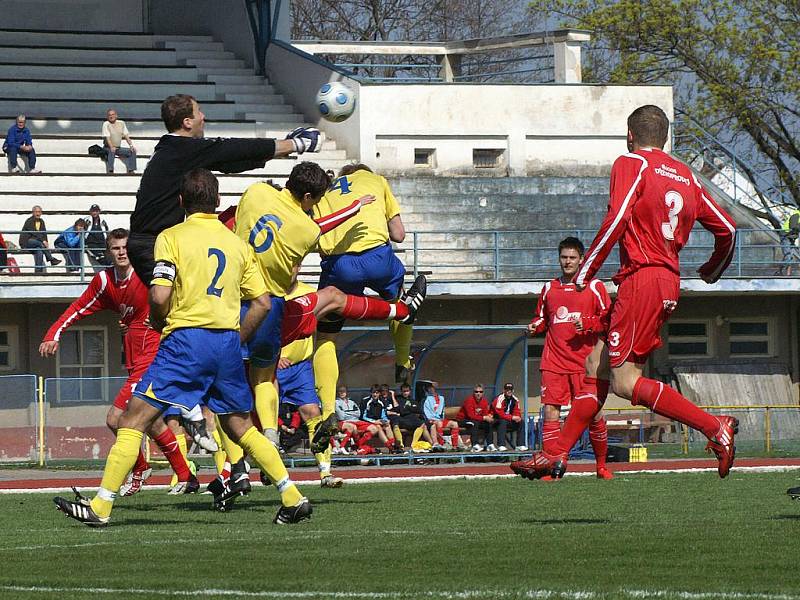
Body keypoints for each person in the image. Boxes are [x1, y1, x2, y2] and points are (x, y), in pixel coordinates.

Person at [53, 168, 312, 526]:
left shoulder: (171, 237)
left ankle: (100, 507)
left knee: (132, 420)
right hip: (225, 342)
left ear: (180, 202)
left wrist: (159, 321)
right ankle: (292, 496)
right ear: (218, 202)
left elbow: (159, 294)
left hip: (186, 341)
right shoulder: (237, 244)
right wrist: (236, 339)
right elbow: (264, 304)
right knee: (241, 426)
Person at [512, 105, 738, 481]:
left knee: (624, 382)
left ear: (630, 136)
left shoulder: (631, 163)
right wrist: (712, 269)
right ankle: (553, 454)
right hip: (666, 279)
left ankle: (714, 426)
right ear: (664, 137)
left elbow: (616, 218)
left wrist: (586, 271)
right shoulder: (686, 175)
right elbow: (728, 230)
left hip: (641, 279)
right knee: (595, 367)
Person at [231, 163, 426, 461]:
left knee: (237, 395)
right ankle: (401, 325)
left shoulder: (255, 193)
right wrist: (356, 208)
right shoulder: (304, 227)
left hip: (232, 308)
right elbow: (394, 234)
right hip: (268, 309)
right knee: (267, 375)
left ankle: (249, 461)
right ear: (309, 195)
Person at [40, 228, 197, 497]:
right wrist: (53, 334)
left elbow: (179, 291)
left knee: (116, 419)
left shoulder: (146, 273)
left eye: (125, 247)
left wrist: (166, 316)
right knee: (153, 422)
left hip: (154, 356)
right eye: (116, 248)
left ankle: (140, 468)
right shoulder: (104, 281)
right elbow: (78, 308)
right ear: (108, 252)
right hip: (135, 359)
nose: (122, 252)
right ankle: (186, 476)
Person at [127, 93, 324, 287]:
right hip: (151, 244)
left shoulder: (174, 148)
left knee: (187, 305)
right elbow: (230, 148)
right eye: (199, 111)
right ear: (187, 122)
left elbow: (227, 163)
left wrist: (278, 151)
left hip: (152, 241)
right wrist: (295, 144)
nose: (203, 116)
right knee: (182, 307)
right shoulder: (181, 147)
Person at [311, 164, 413, 452]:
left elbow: (316, 239)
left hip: (339, 265)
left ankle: (328, 409)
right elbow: (399, 234)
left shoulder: (325, 192)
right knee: (399, 303)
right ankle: (403, 360)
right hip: (378, 258)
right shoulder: (376, 180)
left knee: (327, 336)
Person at [526, 237, 613, 479]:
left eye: (572, 258)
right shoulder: (549, 288)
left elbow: (609, 321)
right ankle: (551, 468)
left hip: (585, 365)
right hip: (553, 362)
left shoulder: (595, 287)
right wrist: (535, 326)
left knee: (594, 415)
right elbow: (542, 318)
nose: (567, 262)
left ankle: (601, 465)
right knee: (551, 413)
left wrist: (588, 323)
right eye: (564, 257)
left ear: (582, 260)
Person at [421, 381, 465, 451]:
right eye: (430, 387)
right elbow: (425, 411)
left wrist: (442, 417)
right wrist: (430, 419)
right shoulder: (425, 399)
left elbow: (442, 411)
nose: (431, 389)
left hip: (440, 420)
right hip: (431, 420)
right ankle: (441, 445)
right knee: (439, 423)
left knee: (454, 424)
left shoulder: (441, 398)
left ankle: (455, 446)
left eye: (432, 387)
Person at [19, 205, 61, 272]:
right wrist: (43, 241)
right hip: (27, 242)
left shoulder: (41, 221)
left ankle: (38, 270)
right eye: (36, 212)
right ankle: (51, 258)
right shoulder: (29, 221)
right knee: (39, 243)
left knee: (39, 250)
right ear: (33, 212)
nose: (38, 214)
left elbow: (44, 233)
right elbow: (34, 232)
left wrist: (46, 242)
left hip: (37, 243)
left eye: (39, 212)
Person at [456, 384, 494, 452]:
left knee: (488, 423)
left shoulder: (484, 401)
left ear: (483, 393)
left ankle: (490, 444)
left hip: (476, 420)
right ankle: (475, 445)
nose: (478, 393)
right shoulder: (469, 400)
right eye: (476, 392)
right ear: (473, 393)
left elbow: (484, 414)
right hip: (463, 420)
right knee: (474, 423)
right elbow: (471, 415)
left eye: (480, 392)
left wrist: (488, 417)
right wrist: (484, 418)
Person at [491, 383, 526, 451]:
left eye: (510, 389)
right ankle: (501, 445)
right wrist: (512, 417)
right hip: (496, 420)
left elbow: (517, 411)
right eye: (507, 389)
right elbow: (500, 414)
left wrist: (517, 417)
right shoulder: (500, 398)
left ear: (513, 391)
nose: (509, 391)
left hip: (508, 420)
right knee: (502, 421)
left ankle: (520, 444)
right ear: (504, 390)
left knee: (521, 422)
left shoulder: (515, 399)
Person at [102, 109, 137, 174]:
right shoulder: (106, 124)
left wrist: (131, 146)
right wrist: (111, 147)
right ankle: (110, 170)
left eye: (112, 114)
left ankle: (131, 169)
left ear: (116, 116)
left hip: (118, 148)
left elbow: (126, 135)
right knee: (112, 150)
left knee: (132, 151)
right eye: (109, 115)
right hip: (107, 147)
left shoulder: (121, 123)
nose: (111, 116)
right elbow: (107, 137)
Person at [779, 209, 800, 276]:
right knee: (788, 255)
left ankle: (787, 274)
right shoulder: (796, 214)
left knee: (790, 255)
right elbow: (793, 226)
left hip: (791, 237)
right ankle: (782, 272)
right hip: (786, 235)